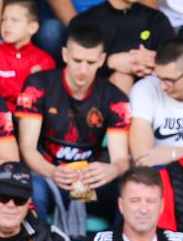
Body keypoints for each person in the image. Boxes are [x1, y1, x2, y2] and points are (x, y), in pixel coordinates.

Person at [14, 26, 132, 229]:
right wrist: (52, 172)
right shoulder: (38, 85)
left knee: (131, 192)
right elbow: (27, 149)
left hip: (90, 182)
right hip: (47, 177)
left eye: (91, 62)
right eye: (77, 61)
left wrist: (111, 170)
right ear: (65, 55)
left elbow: (121, 159)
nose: (83, 70)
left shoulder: (115, 98)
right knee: (31, 190)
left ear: (102, 60)